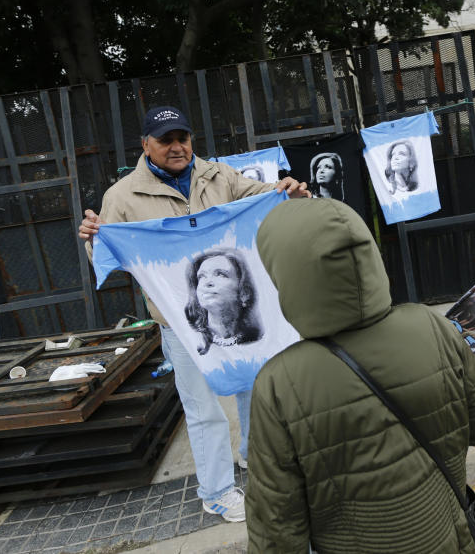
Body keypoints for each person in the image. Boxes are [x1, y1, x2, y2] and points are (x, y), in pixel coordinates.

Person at [78, 105, 309, 523]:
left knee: (255, 391)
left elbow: (261, 198)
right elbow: (108, 254)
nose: (177, 147)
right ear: (146, 145)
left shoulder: (219, 175)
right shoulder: (122, 195)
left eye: (182, 137)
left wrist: (286, 191)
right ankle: (217, 490)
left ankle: (254, 459)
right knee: (202, 410)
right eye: (165, 140)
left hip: (239, 320)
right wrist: (94, 238)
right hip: (179, 325)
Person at [247, 199, 475, 552]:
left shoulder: (278, 385)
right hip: (451, 539)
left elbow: (276, 526)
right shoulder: (431, 324)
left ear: (288, 275)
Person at [185, 248, 263, 355]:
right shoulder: (189, 337)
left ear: (243, 292)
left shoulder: (259, 339)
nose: (207, 282)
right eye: (201, 276)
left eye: (221, 274)